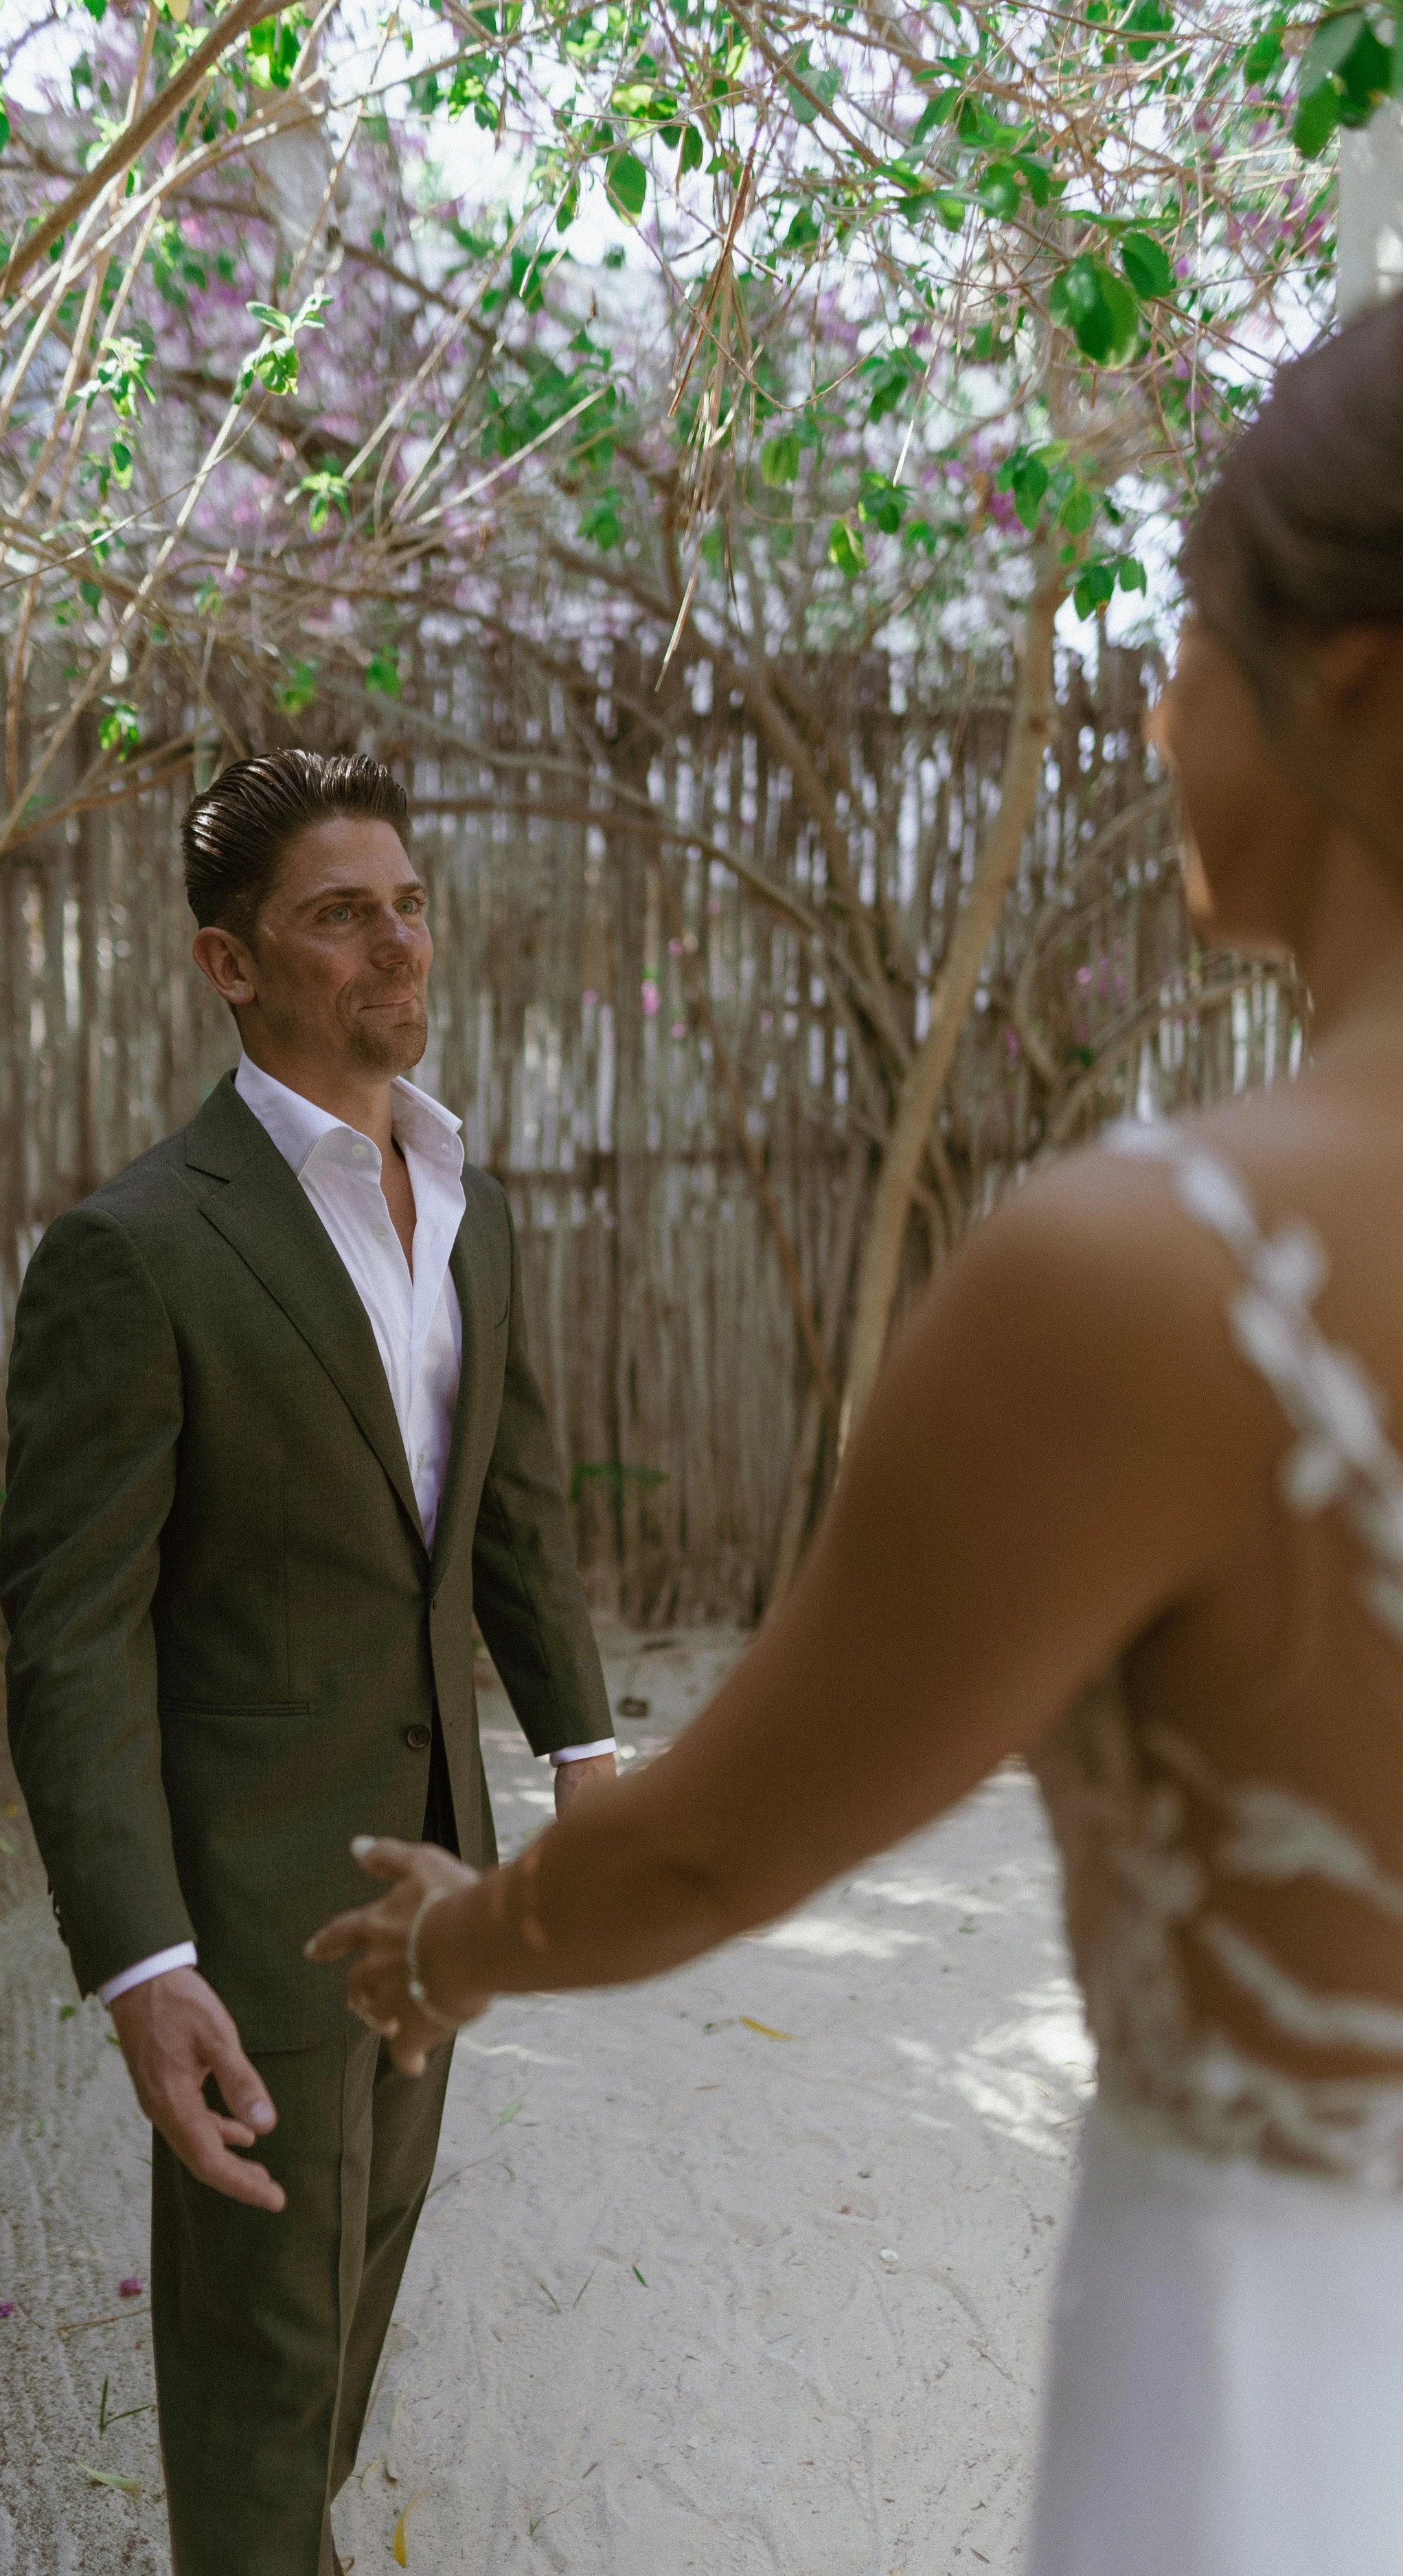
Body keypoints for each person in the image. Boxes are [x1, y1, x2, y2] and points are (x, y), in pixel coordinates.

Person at [310, 298, 1403, 2573]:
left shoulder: (1148, 1285)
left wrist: (456, 1942)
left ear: (1352, 689)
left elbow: (717, 1849)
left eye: (1183, 640)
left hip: (1288, 2408)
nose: (1146, 702)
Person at [0, 749, 615, 2576]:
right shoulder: (136, 1254)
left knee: (361, 2271)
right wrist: (142, 1958)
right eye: (337, 914)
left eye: (404, 903)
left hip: (439, 1863)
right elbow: (71, 1627)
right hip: (249, 1892)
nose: (390, 943)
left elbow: (509, 1519)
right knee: (259, 2337)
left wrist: (582, 1766)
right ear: (230, 964)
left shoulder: (469, 1210)